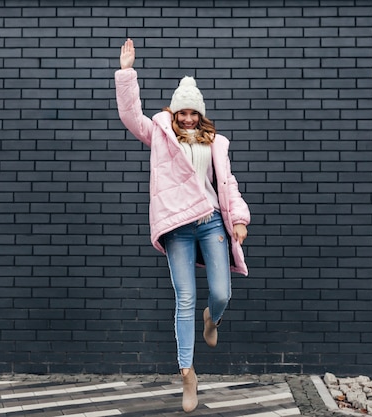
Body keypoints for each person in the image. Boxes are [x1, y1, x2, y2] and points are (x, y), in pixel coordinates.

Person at [115, 38, 250, 413]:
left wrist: (238, 219)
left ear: (200, 114)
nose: (188, 118)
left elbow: (227, 184)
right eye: (182, 112)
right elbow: (130, 115)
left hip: (211, 224)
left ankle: (213, 319)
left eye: (193, 113)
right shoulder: (159, 135)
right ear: (174, 113)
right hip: (178, 227)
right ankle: (188, 374)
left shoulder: (216, 143)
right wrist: (126, 73)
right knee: (185, 299)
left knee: (221, 294)